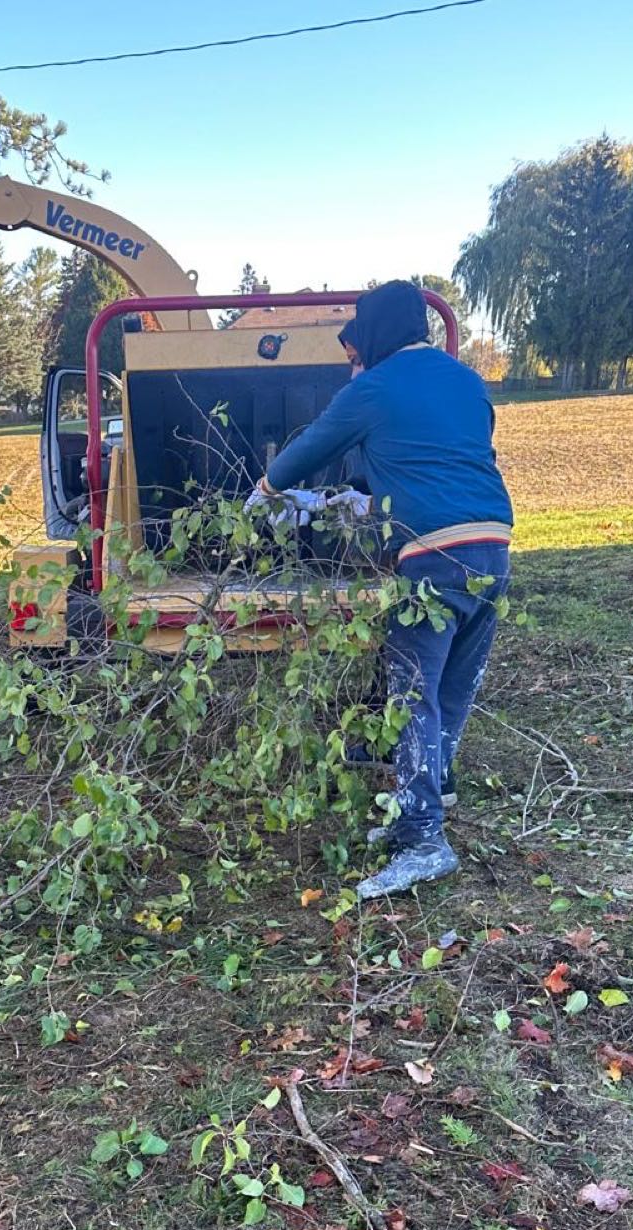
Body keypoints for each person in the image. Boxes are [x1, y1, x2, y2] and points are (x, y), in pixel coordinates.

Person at [254, 280, 513, 898]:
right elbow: (444, 462)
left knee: (411, 698)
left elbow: (297, 460)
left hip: (431, 558)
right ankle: (421, 804)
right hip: (495, 548)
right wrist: (370, 501)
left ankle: (424, 841)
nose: (352, 362)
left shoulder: (371, 388)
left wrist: (265, 493)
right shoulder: (468, 381)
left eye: (353, 351)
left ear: (373, 336)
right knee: (451, 689)